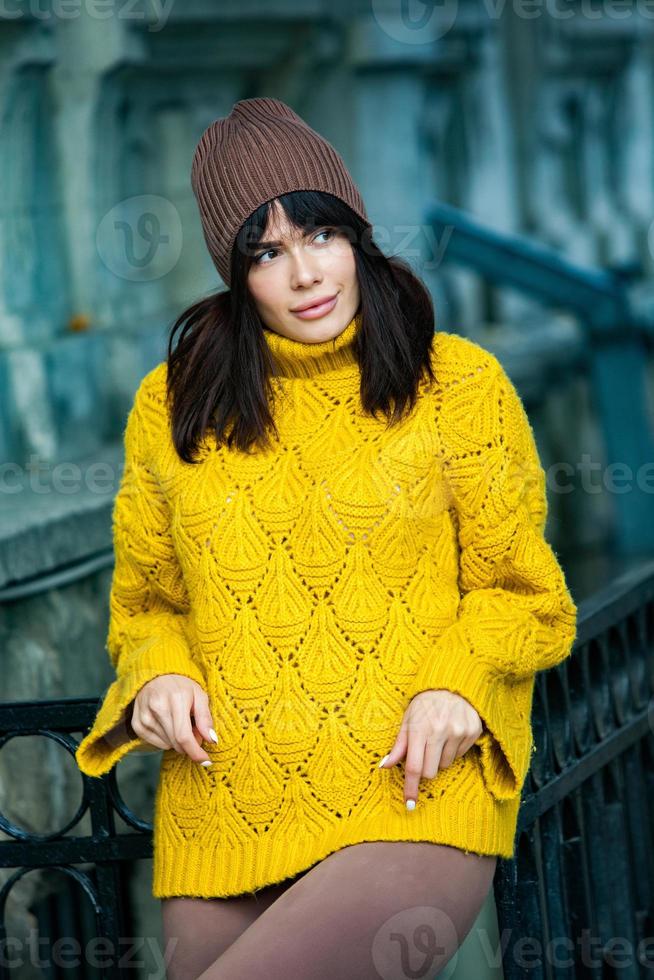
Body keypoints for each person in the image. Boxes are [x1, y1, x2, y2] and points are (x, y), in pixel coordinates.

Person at [75, 97, 578, 979]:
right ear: (237, 273)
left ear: (356, 236)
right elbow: (146, 603)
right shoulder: (173, 403)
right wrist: (156, 669)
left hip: (410, 792)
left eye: (320, 236)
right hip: (226, 803)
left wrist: (460, 685)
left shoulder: (457, 383)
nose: (304, 273)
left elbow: (524, 594)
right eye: (266, 252)